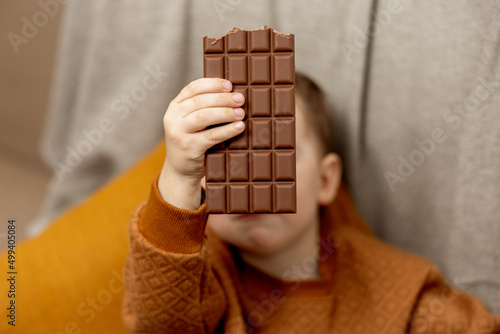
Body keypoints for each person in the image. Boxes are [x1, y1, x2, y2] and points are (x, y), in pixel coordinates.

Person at [122, 73, 500, 333]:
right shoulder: (203, 281)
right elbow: (160, 320)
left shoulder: (390, 285)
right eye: (226, 156)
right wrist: (178, 176)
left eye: (276, 153)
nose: (251, 177)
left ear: (325, 180)